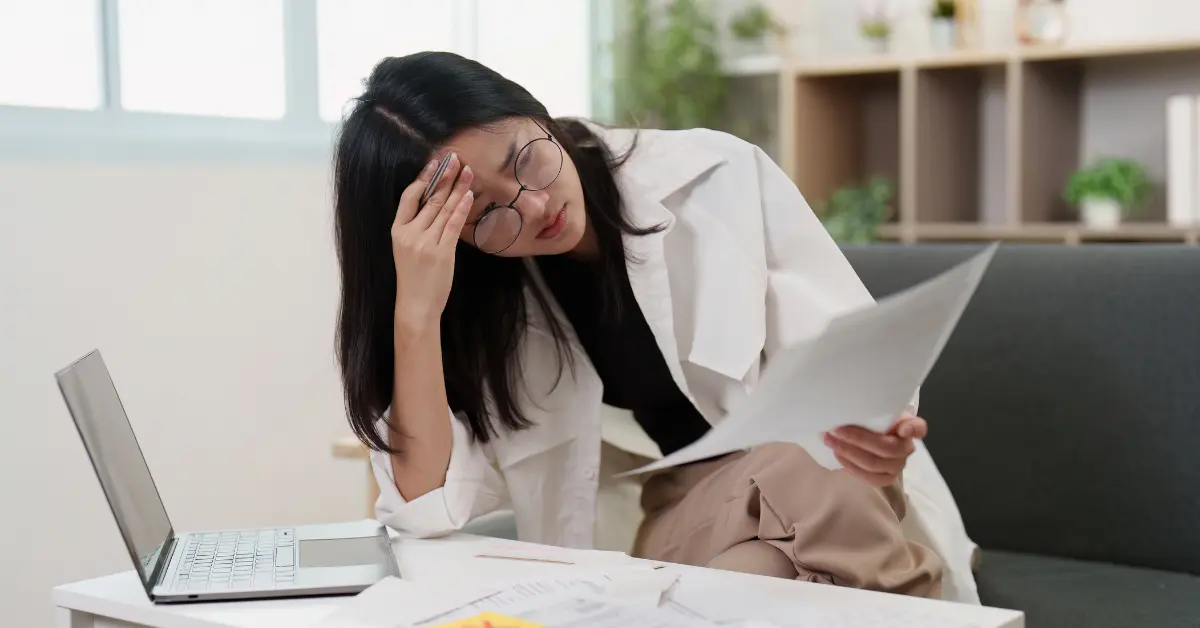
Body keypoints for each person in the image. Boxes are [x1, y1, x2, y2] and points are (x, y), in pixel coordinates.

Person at [332, 51, 980, 603]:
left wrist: (877, 434)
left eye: (524, 158)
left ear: (534, 110)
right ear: (451, 237)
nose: (533, 204)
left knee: (764, 554)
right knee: (793, 500)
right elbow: (420, 509)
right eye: (486, 214)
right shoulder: (481, 303)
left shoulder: (715, 174)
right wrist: (415, 311)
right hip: (688, 515)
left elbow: (848, 370)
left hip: (825, 489)